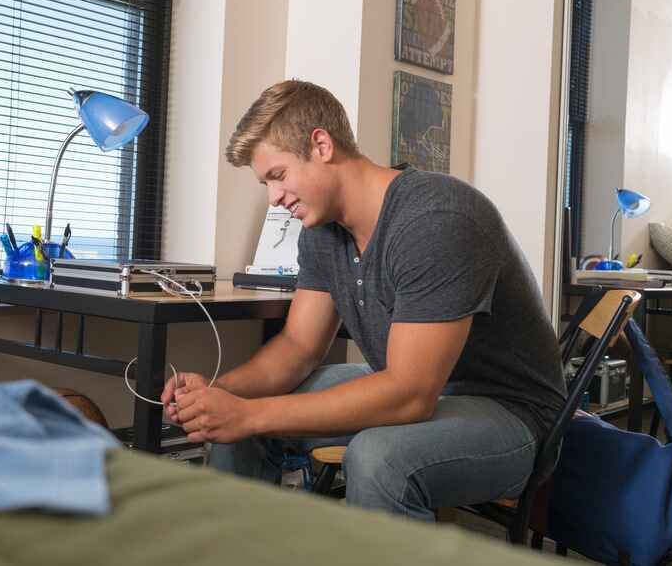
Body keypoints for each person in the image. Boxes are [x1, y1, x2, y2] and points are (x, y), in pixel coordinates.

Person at [160, 80, 566, 521]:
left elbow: (410, 396)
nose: (273, 199)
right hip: (416, 386)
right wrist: (218, 397)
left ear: (321, 145)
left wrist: (250, 414)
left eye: (277, 176)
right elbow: (297, 347)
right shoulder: (321, 233)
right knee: (236, 425)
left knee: (377, 458)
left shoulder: (437, 219)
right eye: (266, 183)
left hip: (511, 415)